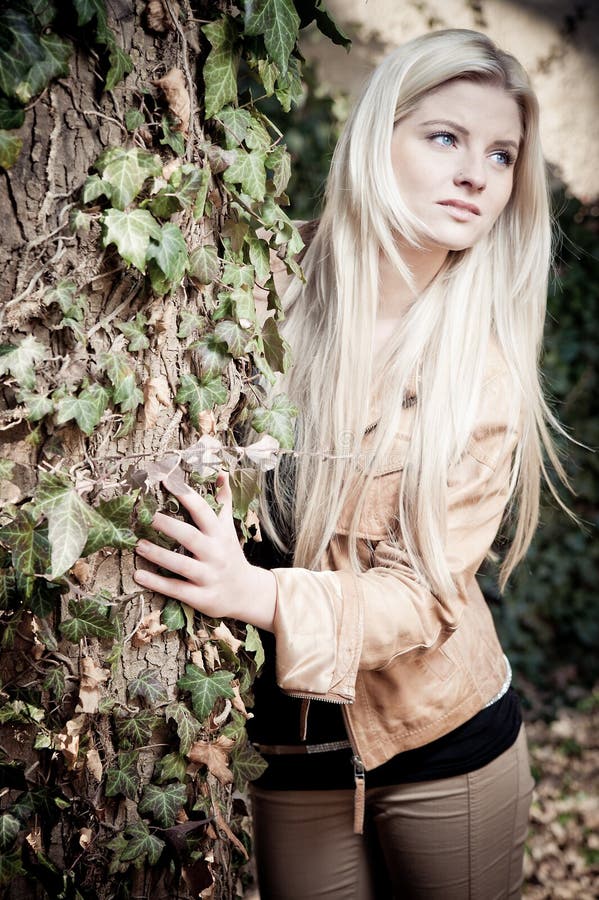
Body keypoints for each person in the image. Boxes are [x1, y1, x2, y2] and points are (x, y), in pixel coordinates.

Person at [133, 28, 570, 900]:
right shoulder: (251, 279)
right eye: (444, 137)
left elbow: (423, 596)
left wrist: (253, 595)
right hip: (286, 753)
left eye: (501, 153)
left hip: (438, 742)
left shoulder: (481, 372)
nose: (475, 174)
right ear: (380, 137)